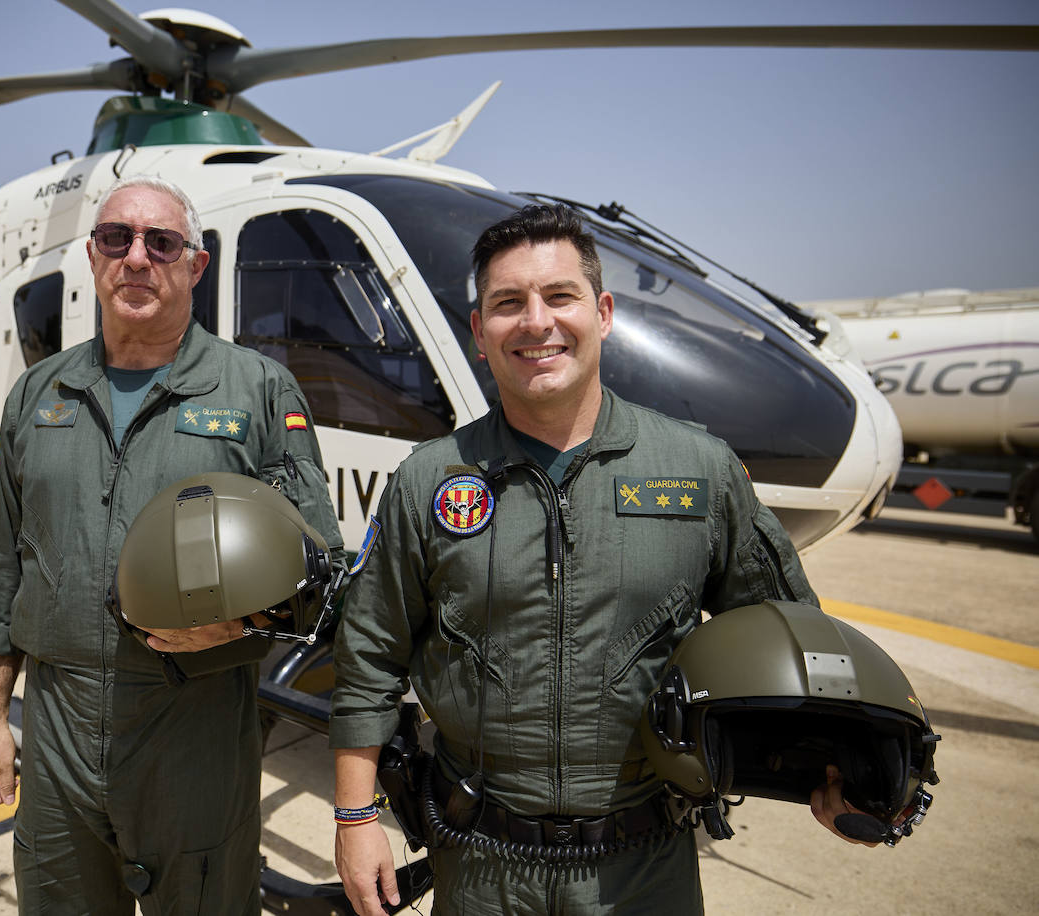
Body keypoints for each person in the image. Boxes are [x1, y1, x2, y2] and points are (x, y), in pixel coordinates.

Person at [329, 204, 866, 915]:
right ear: (480, 335)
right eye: (507, 304)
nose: (536, 322)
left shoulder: (698, 469)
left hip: (642, 867)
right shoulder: (428, 481)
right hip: (481, 867)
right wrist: (354, 818)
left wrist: (838, 771)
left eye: (560, 296)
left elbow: (786, 632)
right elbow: (369, 655)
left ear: (603, 313)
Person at [0, 175, 343, 914]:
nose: (137, 258)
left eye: (161, 243)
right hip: (59, 728)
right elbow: (0, 565)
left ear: (194, 267)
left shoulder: (258, 391)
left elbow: (319, 567)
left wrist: (239, 626)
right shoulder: (39, 394)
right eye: (118, 239)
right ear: (93, 255)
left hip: (194, 730)